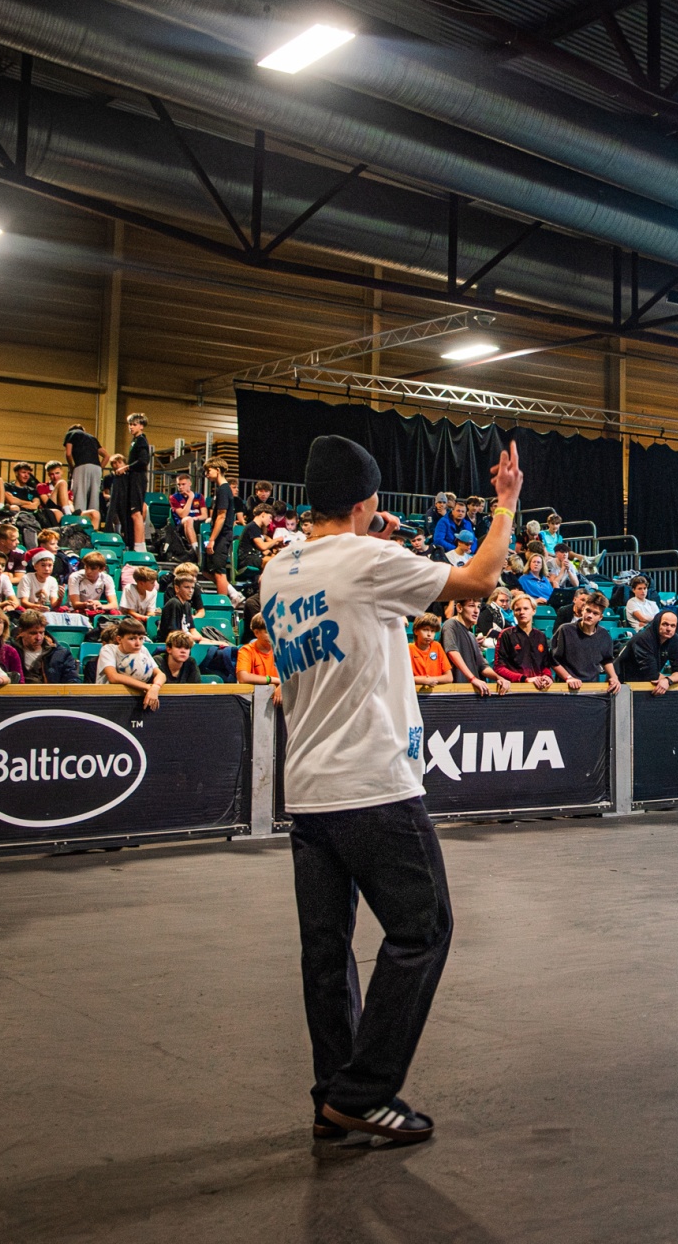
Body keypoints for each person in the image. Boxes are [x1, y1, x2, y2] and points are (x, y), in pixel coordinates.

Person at [256, 432, 521, 1146]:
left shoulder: (278, 571)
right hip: (373, 783)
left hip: (308, 791)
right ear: (366, 502)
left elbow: (349, 610)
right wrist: (504, 503)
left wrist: (375, 541)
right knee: (422, 929)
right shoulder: (370, 561)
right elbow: (479, 583)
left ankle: (333, 1099)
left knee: (327, 952)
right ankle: (366, 1091)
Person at [549, 592, 620, 694]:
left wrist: (614, 677)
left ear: (600, 617)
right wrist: (568, 678)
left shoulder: (604, 635)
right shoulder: (565, 630)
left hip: (592, 689)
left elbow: (607, 660)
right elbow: (553, 660)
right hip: (566, 689)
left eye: (595, 613)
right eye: (588, 610)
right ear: (583, 610)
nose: (590, 615)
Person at [95, 616, 162, 706]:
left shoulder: (142, 649)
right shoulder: (108, 649)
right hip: (107, 700)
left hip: (135, 699)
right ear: (119, 639)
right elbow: (113, 677)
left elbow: (160, 674)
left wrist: (156, 686)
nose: (138, 643)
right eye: (132, 639)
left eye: (141, 638)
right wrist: (147, 687)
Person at [440, 597, 502, 694]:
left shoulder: (471, 636)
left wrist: (499, 678)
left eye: (478, 607)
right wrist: (472, 678)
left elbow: (482, 666)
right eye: (471, 606)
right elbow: (452, 652)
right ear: (459, 608)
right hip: (456, 691)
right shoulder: (450, 625)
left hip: (474, 691)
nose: (476, 611)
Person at [492, 591, 553, 688]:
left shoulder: (540, 636)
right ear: (514, 613)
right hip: (515, 688)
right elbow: (499, 668)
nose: (522, 612)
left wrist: (547, 676)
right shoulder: (506, 634)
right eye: (518, 609)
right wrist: (524, 679)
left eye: (526, 608)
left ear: (534, 611)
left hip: (539, 688)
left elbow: (545, 665)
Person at [202, 459, 241, 605]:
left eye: (209, 471)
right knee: (206, 570)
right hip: (220, 534)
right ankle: (233, 592)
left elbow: (221, 516)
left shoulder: (224, 489)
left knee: (219, 572)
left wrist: (212, 540)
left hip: (222, 536)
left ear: (218, 470)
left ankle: (222, 605)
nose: (206, 475)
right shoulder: (221, 489)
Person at [618, 609, 678, 693]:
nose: (669, 629)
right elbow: (652, 674)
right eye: (665, 624)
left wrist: (668, 680)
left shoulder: (674, 639)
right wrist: (668, 680)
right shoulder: (643, 638)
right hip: (621, 684)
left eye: (673, 626)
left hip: (643, 684)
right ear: (657, 623)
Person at [122, 413, 153, 550]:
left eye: (134, 424)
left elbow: (143, 461)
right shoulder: (135, 441)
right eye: (130, 424)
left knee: (136, 512)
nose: (131, 427)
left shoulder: (141, 441)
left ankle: (140, 546)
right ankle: (135, 543)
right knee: (133, 513)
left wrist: (127, 467)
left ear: (141, 426)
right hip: (133, 478)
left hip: (138, 479)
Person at [64, 423, 103, 527]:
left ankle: (78, 525)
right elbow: (106, 456)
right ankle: (94, 525)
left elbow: (68, 453)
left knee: (80, 496)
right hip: (96, 468)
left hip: (81, 466)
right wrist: (100, 468)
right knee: (94, 499)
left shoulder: (71, 434)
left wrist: (72, 467)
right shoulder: (92, 438)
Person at [235, 611, 281, 698]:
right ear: (256, 633)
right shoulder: (246, 651)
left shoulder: (282, 650)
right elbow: (243, 677)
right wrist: (273, 680)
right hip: (255, 698)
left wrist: (282, 685)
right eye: (268, 632)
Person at [408, 613, 453, 684]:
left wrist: (431, 679)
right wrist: (422, 680)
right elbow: (403, 677)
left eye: (432, 631)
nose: (429, 634)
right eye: (425, 630)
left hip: (436, 689)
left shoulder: (437, 646)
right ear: (416, 631)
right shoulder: (409, 649)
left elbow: (449, 677)